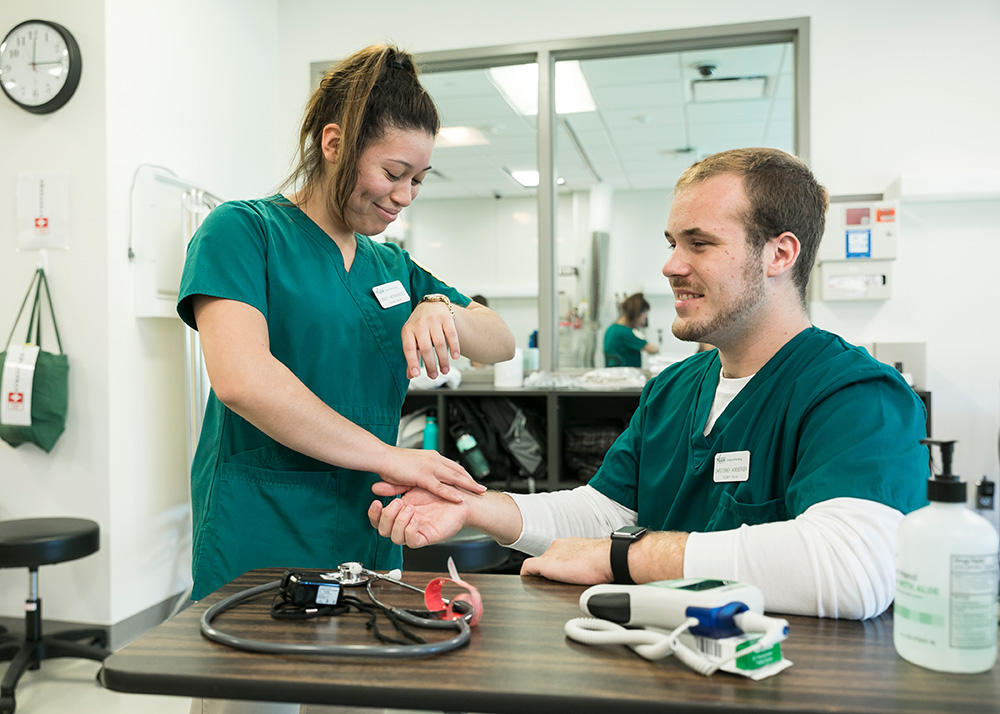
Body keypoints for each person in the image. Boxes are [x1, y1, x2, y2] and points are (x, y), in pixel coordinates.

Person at [368, 147, 929, 620]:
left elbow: (855, 568)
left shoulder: (856, 396)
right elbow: (605, 513)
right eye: (671, 243)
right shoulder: (676, 389)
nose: (670, 266)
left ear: (779, 253)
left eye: (699, 243)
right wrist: (474, 508)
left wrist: (623, 560)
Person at [177, 44, 515, 602]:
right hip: (263, 520)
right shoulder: (243, 232)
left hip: (371, 521)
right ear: (333, 144)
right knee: (244, 683)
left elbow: (497, 341)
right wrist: (390, 456)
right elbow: (242, 380)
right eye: (393, 172)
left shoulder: (393, 268)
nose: (404, 196)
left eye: (419, 180)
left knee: (356, 683)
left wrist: (441, 307)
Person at [603, 292, 659, 367]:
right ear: (638, 314)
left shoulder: (611, 329)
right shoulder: (626, 332)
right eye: (644, 317)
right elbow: (653, 350)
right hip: (625, 376)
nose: (643, 322)